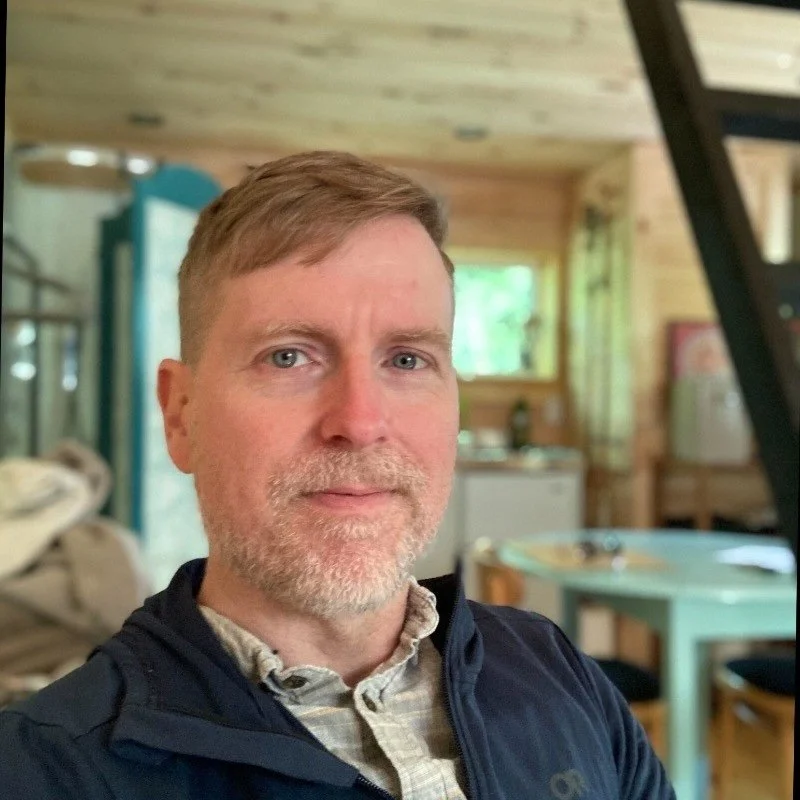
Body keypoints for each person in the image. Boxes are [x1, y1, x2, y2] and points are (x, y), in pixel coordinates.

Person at [0, 151, 675, 800]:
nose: (359, 421)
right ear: (181, 415)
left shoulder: (556, 671)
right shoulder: (43, 768)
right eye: (288, 357)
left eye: (407, 360)